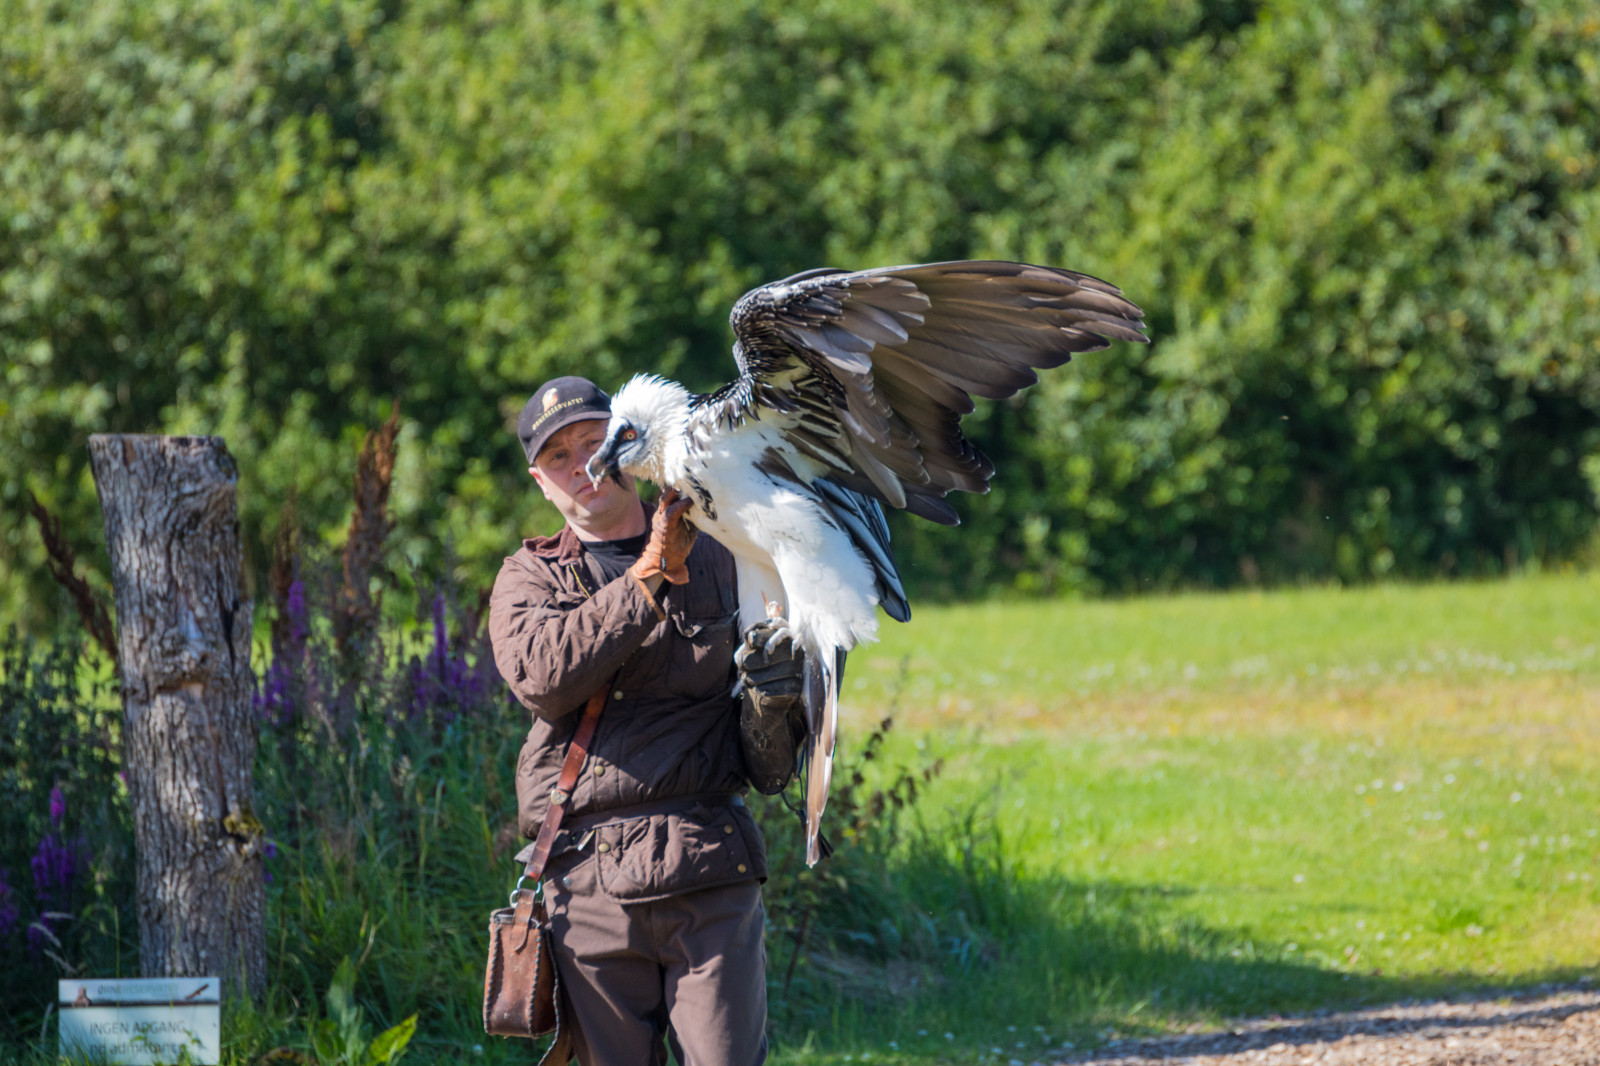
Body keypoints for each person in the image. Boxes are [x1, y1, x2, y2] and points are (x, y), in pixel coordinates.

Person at [488, 376, 805, 1066]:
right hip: (587, 883)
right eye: (559, 458)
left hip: (708, 863)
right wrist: (653, 571)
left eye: (591, 441)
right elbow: (545, 678)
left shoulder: (723, 551)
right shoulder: (530, 579)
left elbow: (772, 768)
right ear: (540, 480)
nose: (582, 466)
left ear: (626, 439)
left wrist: (777, 702)